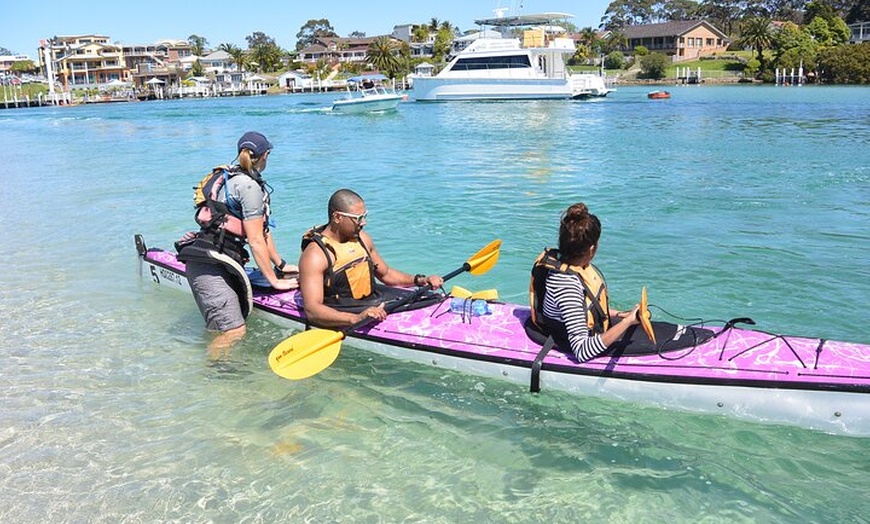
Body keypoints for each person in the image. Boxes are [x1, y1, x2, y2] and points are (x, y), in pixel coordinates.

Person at [177, 131, 297, 352]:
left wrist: (280, 265)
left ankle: (223, 371)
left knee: (225, 330)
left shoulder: (230, 178)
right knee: (234, 331)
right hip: (211, 265)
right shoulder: (249, 186)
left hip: (214, 259)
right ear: (265, 155)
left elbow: (262, 230)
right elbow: (255, 240)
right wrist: (275, 281)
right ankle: (212, 376)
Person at [298, 189, 444, 328]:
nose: (363, 222)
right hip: (341, 309)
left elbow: (386, 274)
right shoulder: (315, 255)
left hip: (371, 299)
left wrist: (420, 281)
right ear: (337, 217)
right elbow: (313, 311)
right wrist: (356, 319)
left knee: (429, 297)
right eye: (358, 218)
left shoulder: (362, 239)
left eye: (365, 216)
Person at [528, 203, 640, 362]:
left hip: (579, 326)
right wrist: (627, 322)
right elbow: (582, 351)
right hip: (569, 339)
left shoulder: (572, 267)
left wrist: (622, 315)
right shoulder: (566, 285)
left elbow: (586, 307)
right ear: (592, 248)